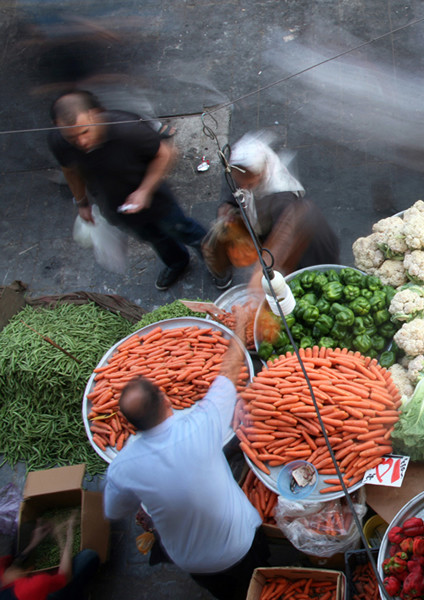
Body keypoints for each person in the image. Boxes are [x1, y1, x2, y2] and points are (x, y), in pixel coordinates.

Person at [103, 311, 269, 600]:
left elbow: (114, 511)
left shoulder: (121, 468)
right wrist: (241, 324)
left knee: (227, 593)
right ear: (166, 400)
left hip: (193, 562)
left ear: (130, 425)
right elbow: (230, 370)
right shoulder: (201, 423)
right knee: (263, 579)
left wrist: (148, 504)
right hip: (241, 543)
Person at [48, 90, 207, 290]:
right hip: (117, 208)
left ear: (95, 114)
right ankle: (177, 262)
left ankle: (214, 258)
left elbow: (165, 154)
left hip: (156, 201)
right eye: (72, 138)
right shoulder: (58, 141)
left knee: (183, 229)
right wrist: (82, 202)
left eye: (85, 131)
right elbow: (70, 171)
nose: (81, 142)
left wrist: (144, 191)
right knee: (155, 238)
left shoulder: (128, 129)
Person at [202, 131, 340, 289]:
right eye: (240, 184)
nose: (244, 188)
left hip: (302, 246)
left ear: (262, 173)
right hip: (272, 230)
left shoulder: (282, 198)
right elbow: (234, 194)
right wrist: (228, 210)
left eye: (249, 184)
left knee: (307, 282)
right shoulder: (240, 175)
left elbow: (283, 238)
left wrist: (265, 271)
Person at [0, 516, 99, 600]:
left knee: (26, 527)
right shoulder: (30, 588)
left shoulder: (5, 569)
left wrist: (33, 543)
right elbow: (64, 577)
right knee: (89, 556)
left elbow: (14, 566)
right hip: (43, 592)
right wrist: (65, 538)